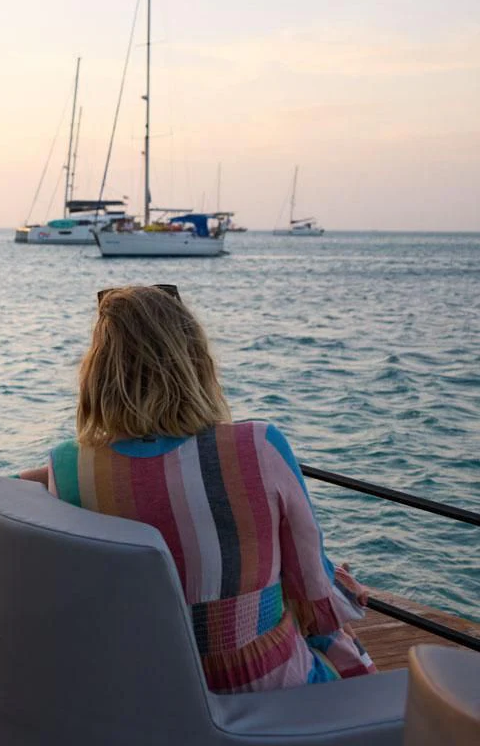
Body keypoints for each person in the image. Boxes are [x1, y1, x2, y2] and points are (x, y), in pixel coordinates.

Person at [25, 285, 375, 694]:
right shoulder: (259, 446)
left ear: (96, 370)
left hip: (142, 686)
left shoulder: (67, 466)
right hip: (259, 683)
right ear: (195, 360)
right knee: (333, 642)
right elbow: (315, 591)